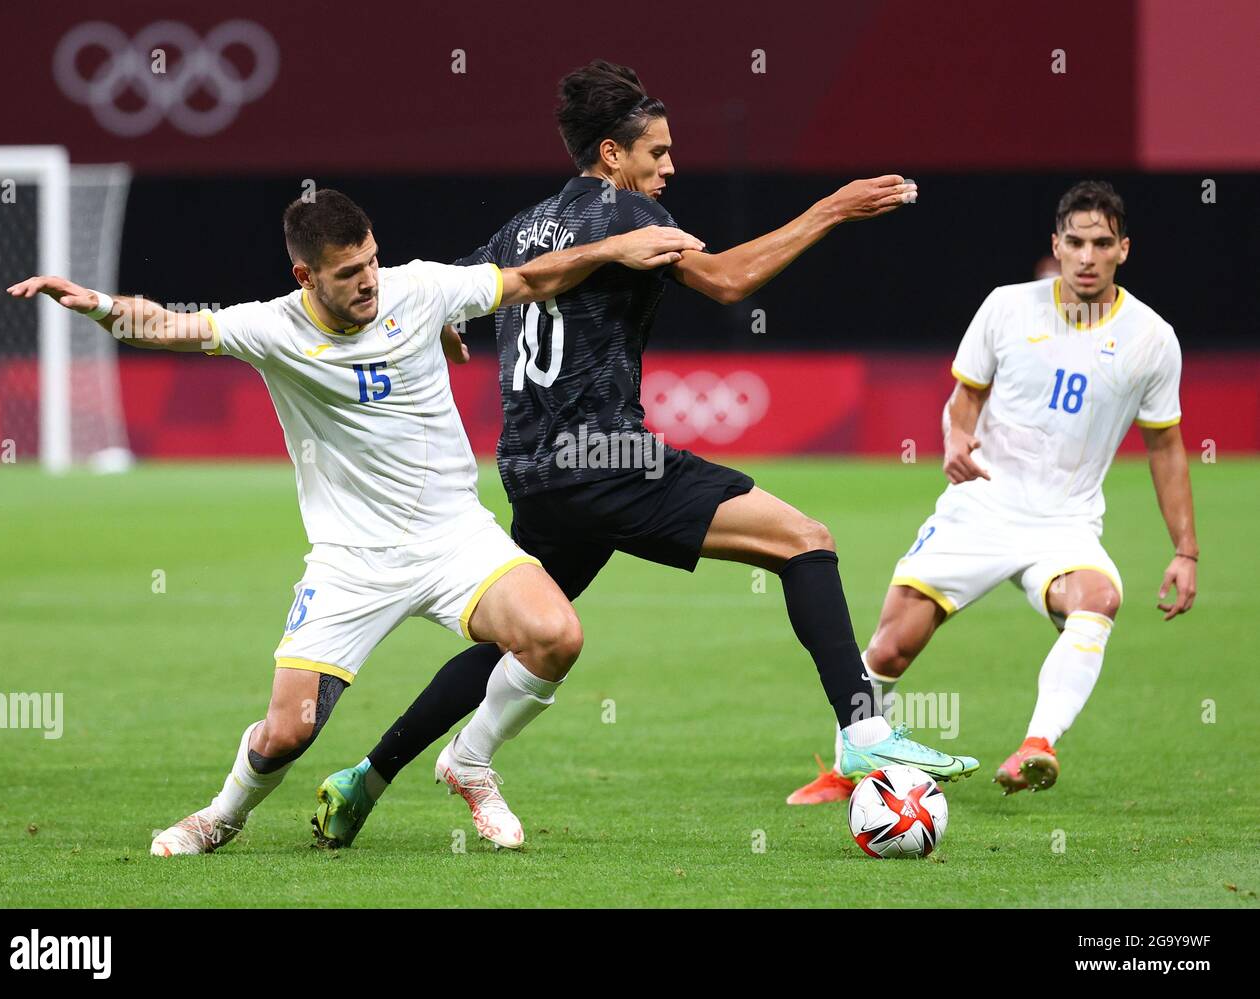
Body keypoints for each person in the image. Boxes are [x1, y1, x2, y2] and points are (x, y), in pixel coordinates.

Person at [313, 60, 979, 851]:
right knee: (805, 541)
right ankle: (864, 732)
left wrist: (451, 331)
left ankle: (368, 775)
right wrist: (833, 208)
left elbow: (438, 293)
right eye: (656, 153)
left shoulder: (521, 227)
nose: (669, 168)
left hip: (531, 469)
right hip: (607, 458)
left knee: (513, 640)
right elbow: (729, 280)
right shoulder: (624, 214)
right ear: (610, 156)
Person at [7, 188, 701, 854]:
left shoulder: (420, 288)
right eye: (349, 273)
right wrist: (96, 304)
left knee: (557, 635)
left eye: (371, 260)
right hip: (351, 559)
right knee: (288, 732)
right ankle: (221, 816)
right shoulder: (273, 327)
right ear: (305, 276)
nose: (369, 280)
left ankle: (471, 760)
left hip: (453, 536)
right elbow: (169, 326)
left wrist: (613, 249)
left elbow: (525, 279)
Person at [787, 180, 1197, 804]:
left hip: (1064, 522)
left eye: (1102, 244)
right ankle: (849, 769)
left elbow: (1165, 446)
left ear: (1124, 249)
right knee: (892, 648)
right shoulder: (1007, 307)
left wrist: (1185, 551)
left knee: (1098, 597)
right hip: (980, 505)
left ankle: (1038, 745)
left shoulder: (1151, 338)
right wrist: (957, 438)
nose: (1088, 256)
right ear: (1056, 244)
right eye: (1077, 242)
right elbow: (966, 399)